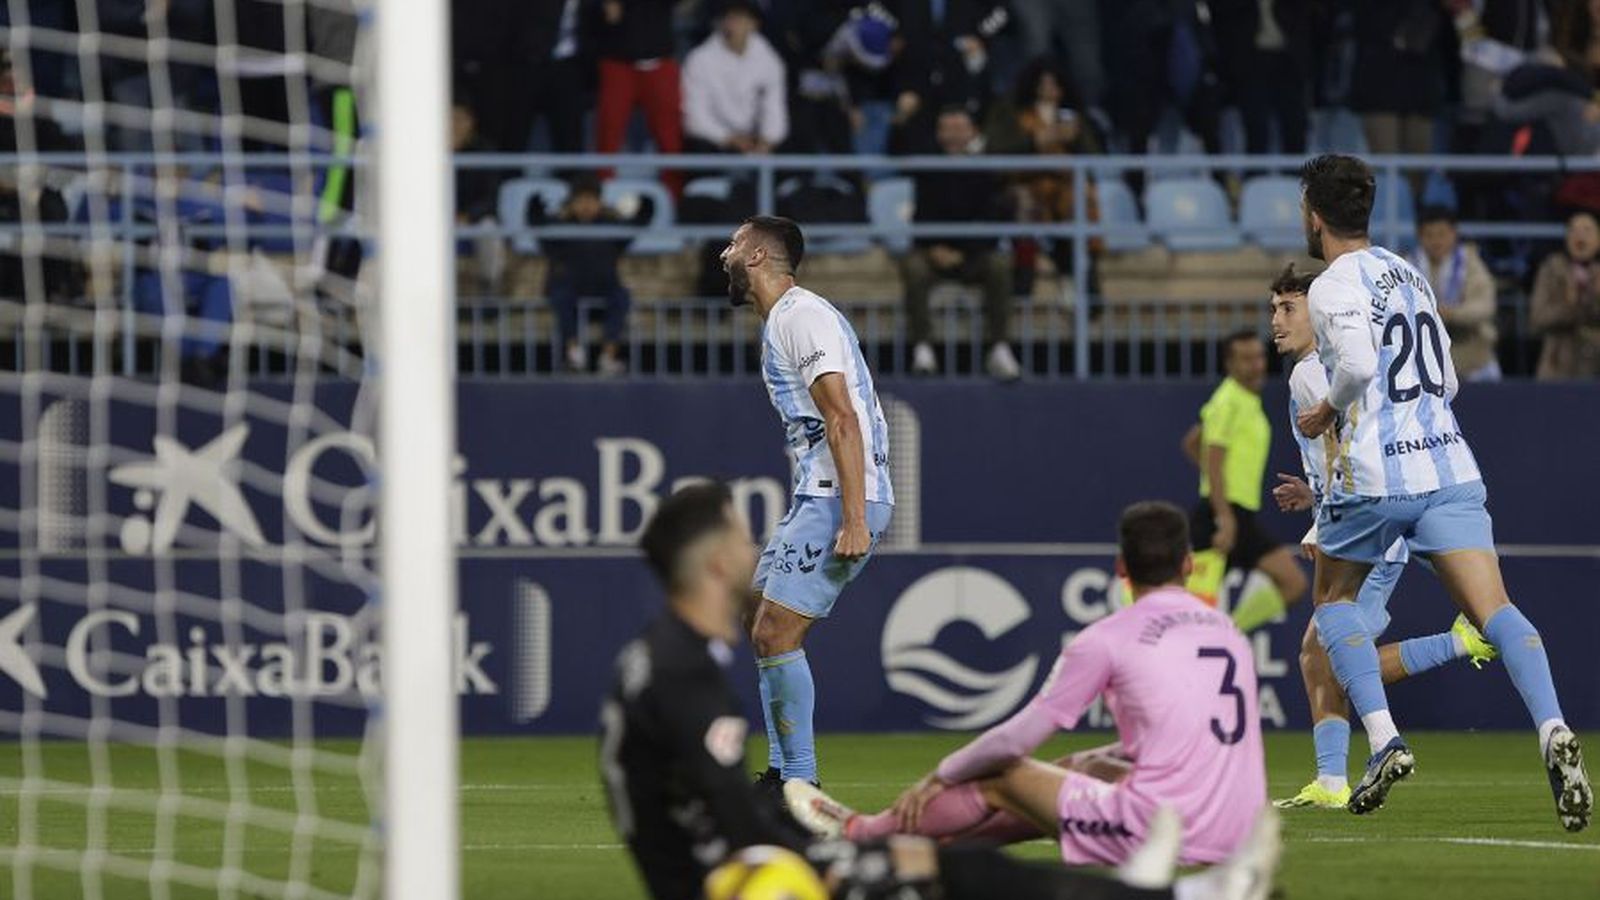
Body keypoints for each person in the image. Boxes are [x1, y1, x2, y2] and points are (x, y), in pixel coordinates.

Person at [601, 484, 1279, 900]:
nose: (761, 550)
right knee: (955, 873)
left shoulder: (650, 659)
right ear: (719, 563)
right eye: (746, 537)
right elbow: (738, 826)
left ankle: (1160, 892)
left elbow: (702, 818)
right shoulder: (686, 676)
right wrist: (851, 855)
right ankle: (1171, 896)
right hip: (749, 888)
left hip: (737, 877)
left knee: (960, 858)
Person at [1295, 152, 1591, 828]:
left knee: (1332, 603)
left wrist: (1327, 409)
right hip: (1449, 464)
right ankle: (1550, 725)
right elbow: (1449, 383)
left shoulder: (1331, 285)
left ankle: (1384, 740)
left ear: (1315, 217)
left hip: (1376, 473)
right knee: (1497, 611)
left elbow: (1361, 367)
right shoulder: (1412, 276)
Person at [788, 501, 1269, 873]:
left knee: (1006, 776)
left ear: (1121, 566)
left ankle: (859, 832)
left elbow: (1018, 741)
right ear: (1188, 564)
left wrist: (943, 774)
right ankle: (934, 850)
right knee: (1084, 766)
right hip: (1241, 831)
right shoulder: (1228, 630)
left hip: (1169, 833)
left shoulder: (1108, 638)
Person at [1264, 264, 1498, 810]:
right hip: (1370, 520)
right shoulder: (1315, 368)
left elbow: (1347, 448)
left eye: (1288, 308)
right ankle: (1330, 778)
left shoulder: (1313, 374)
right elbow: (1339, 450)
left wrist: (1325, 521)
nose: (1276, 320)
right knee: (1322, 655)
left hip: (1366, 531)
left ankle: (1455, 646)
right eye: (1273, 308)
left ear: (1317, 310)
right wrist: (1313, 495)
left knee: (1330, 654)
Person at [721, 216, 895, 794]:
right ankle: (784, 772)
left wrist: (852, 517)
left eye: (734, 243)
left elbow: (841, 416)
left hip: (840, 497)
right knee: (760, 618)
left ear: (756, 257)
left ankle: (798, 781)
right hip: (816, 494)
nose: (724, 251)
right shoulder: (784, 321)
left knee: (776, 631)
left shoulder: (802, 315)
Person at [1178, 331, 1307, 632]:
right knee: (1194, 613)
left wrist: (1217, 478)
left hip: (1238, 515)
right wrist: (1224, 515)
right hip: (1219, 518)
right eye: (1246, 359)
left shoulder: (1239, 400)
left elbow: (1192, 442)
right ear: (1230, 363)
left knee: (1293, 583)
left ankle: (1230, 633)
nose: (1256, 365)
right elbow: (1212, 455)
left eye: (1260, 357)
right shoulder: (1229, 401)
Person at [900, 106, 1020, 380]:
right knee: (914, 267)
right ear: (939, 134)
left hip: (974, 254)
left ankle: (1000, 348)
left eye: (959, 128)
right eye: (948, 128)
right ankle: (922, 348)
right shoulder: (928, 169)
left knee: (999, 264)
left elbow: (991, 221)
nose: (954, 135)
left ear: (972, 133)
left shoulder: (986, 169)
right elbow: (920, 219)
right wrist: (933, 248)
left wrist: (964, 252)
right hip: (935, 254)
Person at [527, 175, 651, 375]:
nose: (586, 206)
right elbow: (539, 228)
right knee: (560, 294)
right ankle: (574, 353)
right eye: (581, 200)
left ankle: (608, 357)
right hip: (571, 290)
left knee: (621, 297)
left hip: (604, 288)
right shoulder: (561, 228)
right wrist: (534, 210)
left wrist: (646, 206)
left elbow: (637, 225)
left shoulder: (611, 228)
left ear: (600, 203)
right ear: (572, 203)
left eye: (591, 200)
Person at [682, 1, 789, 156]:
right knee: (699, 147)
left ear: (754, 24)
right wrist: (729, 138)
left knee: (790, 146)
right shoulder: (699, 60)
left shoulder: (770, 60)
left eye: (739, 17)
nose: (733, 23)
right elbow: (696, 116)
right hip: (716, 141)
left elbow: (774, 108)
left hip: (755, 139)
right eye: (728, 17)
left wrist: (767, 140)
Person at [1411, 207, 1500, 382]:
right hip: (1423, 367)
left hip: (1473, 363)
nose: (1436, 241)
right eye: (1429, 235)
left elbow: (1485, 306)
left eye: (1442, 234)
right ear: (1419, 236)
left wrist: (1452, 314)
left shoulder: (1471, 263)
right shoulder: (1408, 265)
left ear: (1454, 234)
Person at [1529, 209, 1600, 380]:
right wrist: (1569, 306)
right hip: (1558, 367)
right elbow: (1538, 318)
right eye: (1574, 230)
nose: (1579, 236)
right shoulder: (1551, 269)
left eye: (1587, 230)